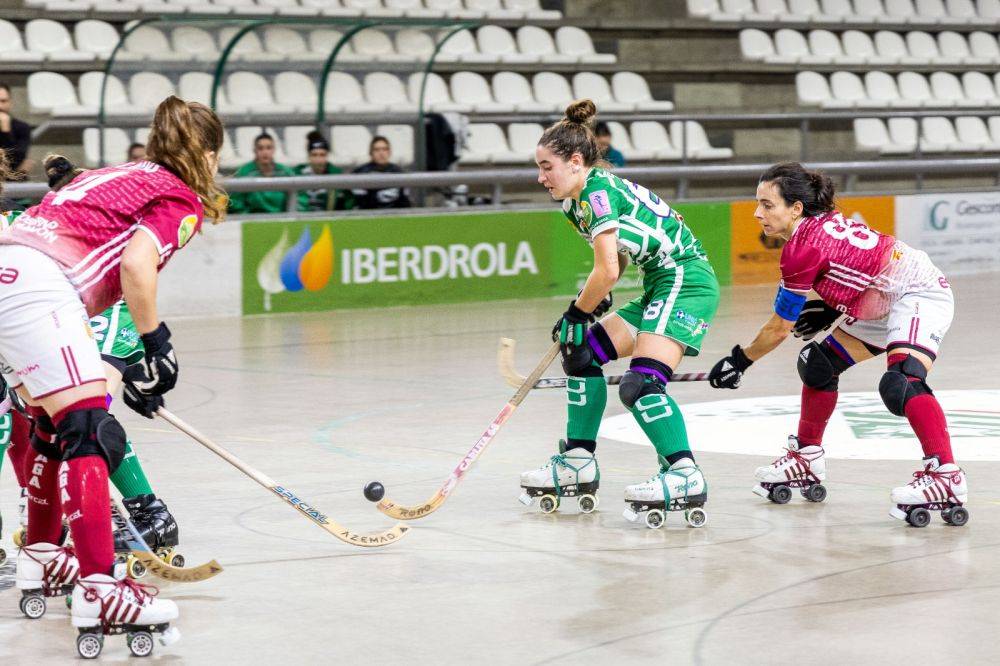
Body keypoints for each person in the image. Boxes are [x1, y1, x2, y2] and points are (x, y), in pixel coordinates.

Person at [0, 96, 225, 653]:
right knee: (90, 429)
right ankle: (101, 586)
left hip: (9, 267)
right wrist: (156, 346)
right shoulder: (179, 197)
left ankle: (45, 556)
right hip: (38, 286)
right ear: (207, 154)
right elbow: (135, 267)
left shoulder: (120, 173)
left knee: (47, 423)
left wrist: (134, 357)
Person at [707, 162, 967, 527]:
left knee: (902, 382)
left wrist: (740, 360)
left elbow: (779, 328)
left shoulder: (801, 249)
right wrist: (831, 307)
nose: (757, 213)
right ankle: (807, 456)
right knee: (818, 364)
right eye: (757, 204)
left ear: (796, 208)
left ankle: (945, 476)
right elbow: (857, 265)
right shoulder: (816, 225)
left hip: (917, 292)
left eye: (767, 205)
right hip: (881, 298)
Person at [518, 99, 720, 529]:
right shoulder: (576, 202)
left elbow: (606, 268)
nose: (540, 177)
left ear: (575, 162)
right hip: (659, 282)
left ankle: (684, 474)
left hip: (685, 281)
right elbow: (618, 258)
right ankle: (577, 462)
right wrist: (595, 300)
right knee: (582, 355)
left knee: (641, 383)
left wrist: (580, 308)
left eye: (546, 166)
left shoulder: (595, 192)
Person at [0, 156, 182, 567]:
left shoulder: (18, 226)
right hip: (51, 316)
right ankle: (50, 517)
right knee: (36, 413)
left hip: (97, 308)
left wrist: (149, 348)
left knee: (85, 420)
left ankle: (148, 511)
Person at [228, 132, 306, 214]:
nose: (265, 152)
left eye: (269, 148)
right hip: (252, 222)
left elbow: (299, 199)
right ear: (255, 151)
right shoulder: (244, 172)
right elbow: (236, 203)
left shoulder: (285, 172)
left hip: (282, 221)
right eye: (260, 148)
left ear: (274, 150)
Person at [293, 130, 354, 212]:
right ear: (309, 156)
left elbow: (349, 203)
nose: (318, 159)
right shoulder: (297, 172)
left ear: (327, 156)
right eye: (314, 155)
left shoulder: (336, 174)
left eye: (322, 155)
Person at [352, 135, 411, 209]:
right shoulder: (360, 173)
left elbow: (405, 202)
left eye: (385, 149)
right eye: (377, 150)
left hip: (395, 215)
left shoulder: (399, 172)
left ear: (389, 152)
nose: (381, 153)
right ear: (370, 152)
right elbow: (361, 203)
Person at [0, 83, 32, 178]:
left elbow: (15, 161)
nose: (0, 106)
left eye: (3, 101)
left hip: (12, 181)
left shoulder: (22, 127)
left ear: (10, 102)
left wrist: (5, 131)